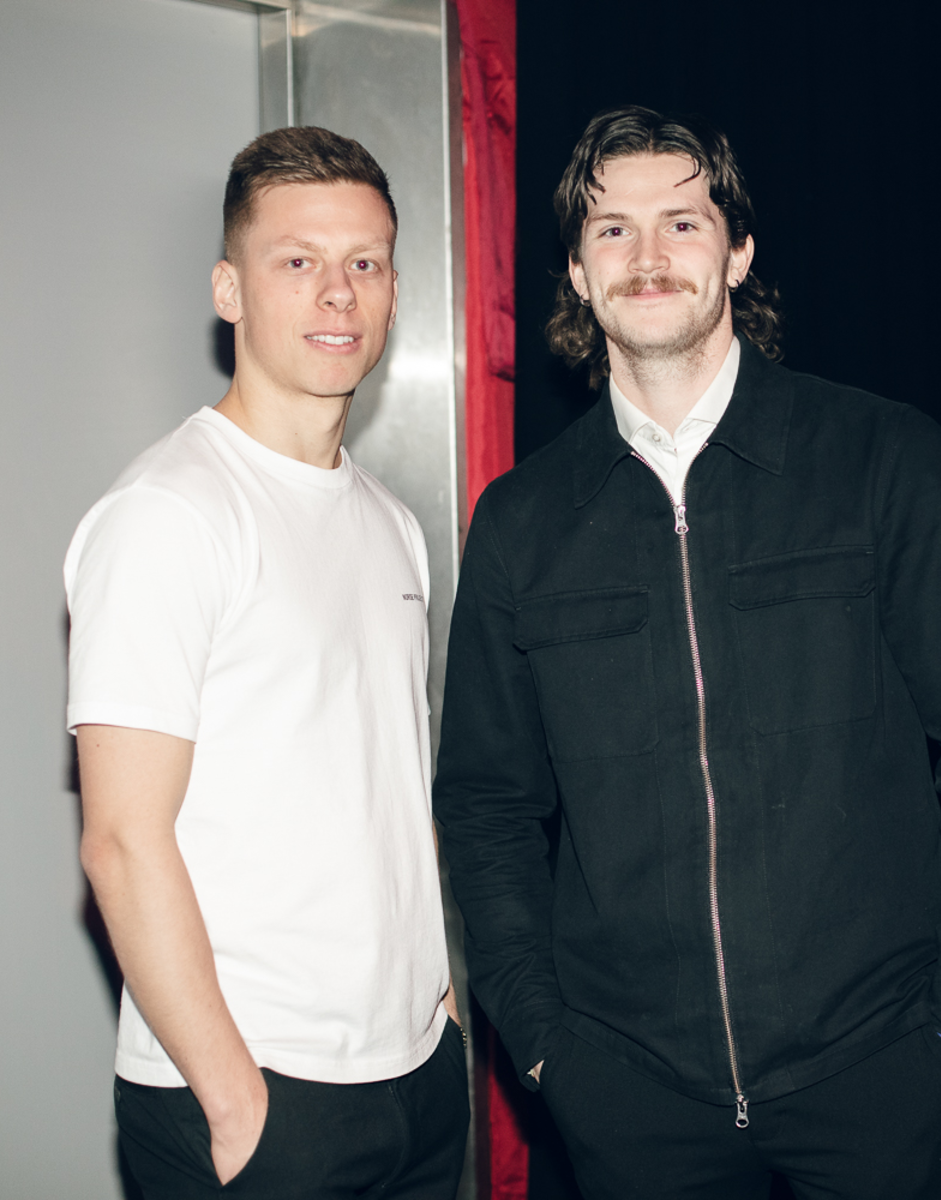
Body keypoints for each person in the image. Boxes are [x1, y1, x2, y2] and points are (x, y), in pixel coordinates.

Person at [433, 106, 941, 1199]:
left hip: (882, 1076)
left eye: (682, 221)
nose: (648, 255)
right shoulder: (522, 522)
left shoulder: (882, 460)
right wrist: (546, 1049)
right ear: (576, 270)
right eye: (612, 229)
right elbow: (487, 807)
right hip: (631, 1099)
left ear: (738, 252)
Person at [66, 127, 468, 1200]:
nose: (338, 293)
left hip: (415, 1076)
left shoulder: (393, 524)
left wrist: (438, 1005)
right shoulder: (168, 514)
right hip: (258, 1093)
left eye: (366, 262)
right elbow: (120, 840)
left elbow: (389, 785)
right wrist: (236, 1100)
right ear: (229, 290)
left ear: (394, 293)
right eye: (298, 261)